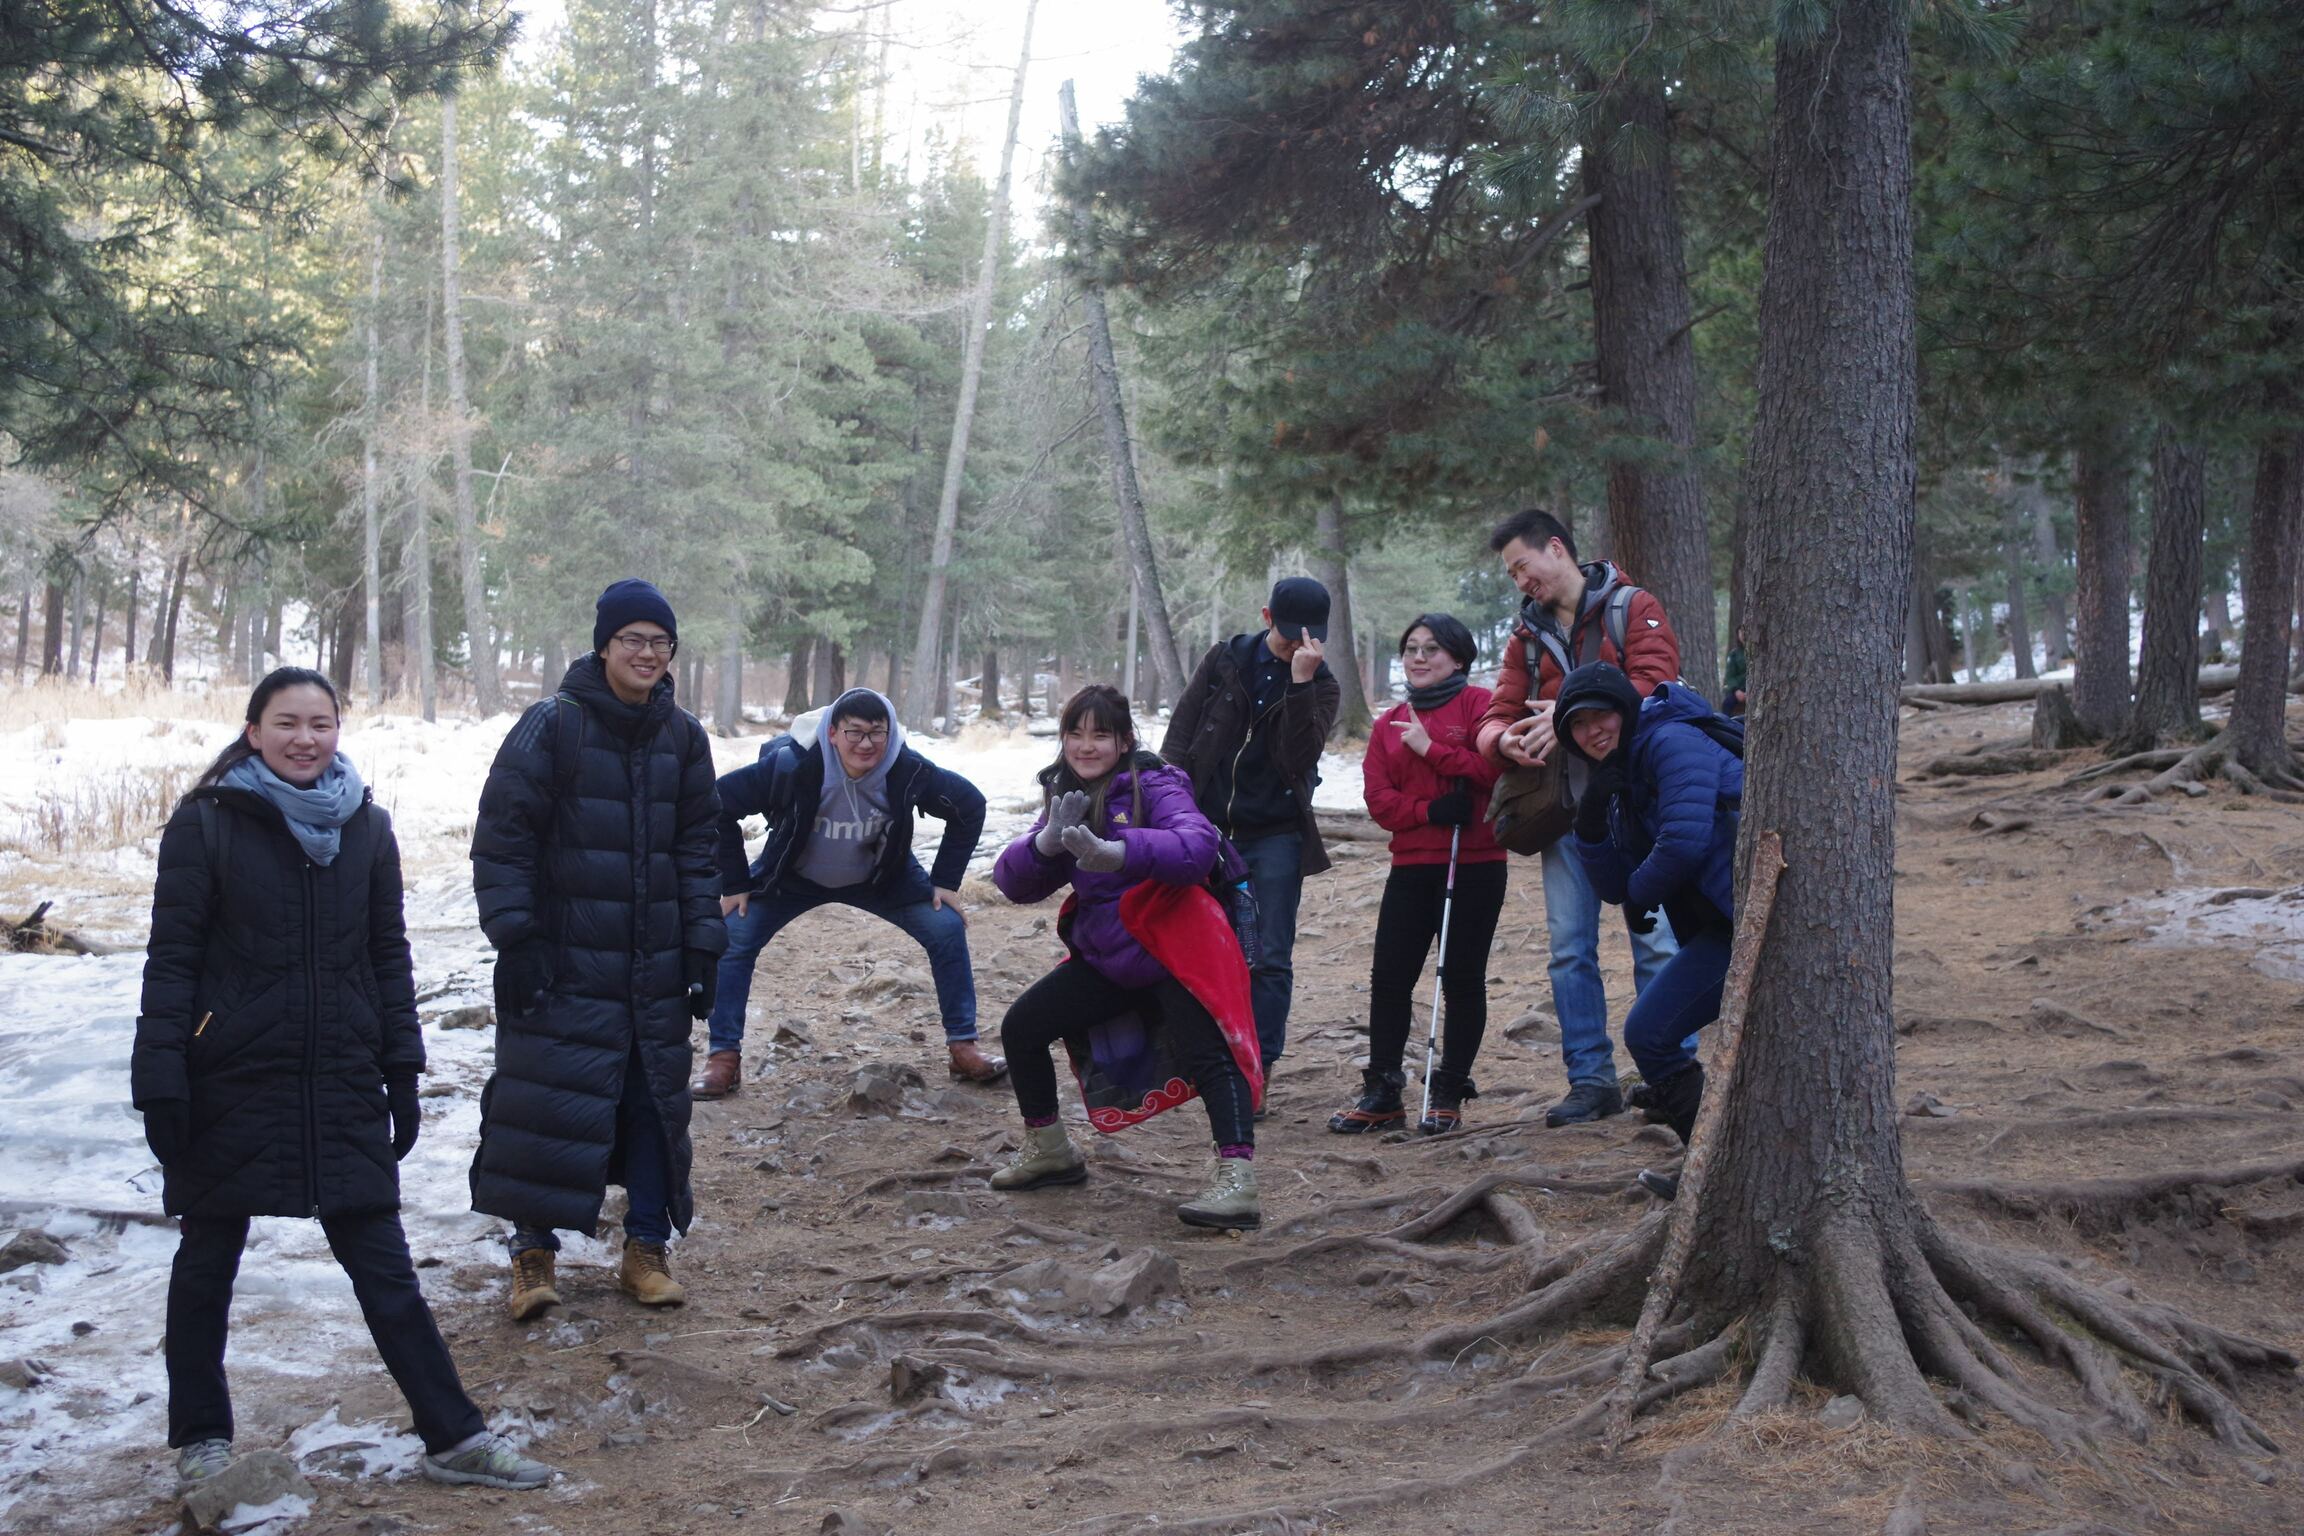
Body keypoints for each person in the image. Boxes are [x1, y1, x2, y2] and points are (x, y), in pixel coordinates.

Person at [132, 668, 554, 1493]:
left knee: (384, 1265)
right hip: (230, 1078)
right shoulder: (206, 825)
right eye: (286, 723)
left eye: (320, 724)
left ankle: (454, 1437)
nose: (305, 739)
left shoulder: (367, 826)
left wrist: (401, 1064)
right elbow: (171, 961)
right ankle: (202, 1442)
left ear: (339, 730)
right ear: (253, 731)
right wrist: (160, 1079)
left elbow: (387, 955)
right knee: (208, 1259)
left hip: (341, 1078)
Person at [469, 579, 726, 1321]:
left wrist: (704, 944)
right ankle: (531, 1256)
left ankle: (645, 1250)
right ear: (604, 646)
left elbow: (701, 849)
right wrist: (515, 936)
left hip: (653, 965)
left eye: (659, 642)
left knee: (653, 1106)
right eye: (632, 640)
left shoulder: (683, 737)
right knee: (540, 1104)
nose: (646, 654)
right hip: (561, 961)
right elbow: (503, 837)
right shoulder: (551, 726)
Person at [990, 685, 1265, 1230]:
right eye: (1075, 733)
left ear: (1124, 740)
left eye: (1100, 734)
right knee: (1022, 1027)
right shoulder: (1064, 792)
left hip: (1173, 946)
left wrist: (1121, 851)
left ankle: (1238, 1181)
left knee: (1211, 1055)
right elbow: (1012, 884)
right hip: (1110, 952)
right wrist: (1045, 843)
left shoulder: (1156, 784)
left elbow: (1196, 845)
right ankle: (1050, 1149)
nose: (1086, 746)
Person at [1478, 508, 1685, 1128]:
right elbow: (1495, 713)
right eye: (1511, 573)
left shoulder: (1633, 607)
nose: (1520, 581)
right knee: (1570, 950)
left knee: (1656, 943)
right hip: (1566, 814)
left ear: (1557, 549)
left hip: (1640, 808)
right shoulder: (1524, 636)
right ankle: (1590, 1080)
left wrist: (1567, 714)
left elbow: (1659, 686)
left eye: (1522, 565)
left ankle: (1671, 1075)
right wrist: (1502, 743)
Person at [698, 686, 995, 1098]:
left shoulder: (906, 769)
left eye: (877, 732)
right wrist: (734, 882)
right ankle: (723, 1058)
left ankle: (963, 1046)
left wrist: (945, 880)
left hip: (880, 879)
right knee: (734, 933)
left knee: (945, 927)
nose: (867, 743)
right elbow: (716, 804)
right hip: (792, 877)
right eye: (854, 732)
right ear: (832, 733)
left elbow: (969, 805)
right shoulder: (793, 766)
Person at [1554, 661, 1743, 1200]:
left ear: (1625, 709)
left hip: (1761, 920)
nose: (1592, 732)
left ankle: (1716, 1174)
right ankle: (1718, 1170)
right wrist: (1590, 824)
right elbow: (1615, 888)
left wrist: (1641, 892)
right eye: (1577, 726)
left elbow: (1683, 841)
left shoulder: (1669, 741)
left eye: (1600, 716)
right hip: (1727, 925)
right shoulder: (1624, 778)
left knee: (1651, 1033)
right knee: (1653, 1035)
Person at [1330, 615, 1508, 1136]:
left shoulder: (1479, 706)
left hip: (1474, 865)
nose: (1419, 657)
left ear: (1458, 657)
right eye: (1411, 648)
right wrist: (1432, 812)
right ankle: (1384, 1090)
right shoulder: (1389, 724)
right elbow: (1379, 800)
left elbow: (1495, 770)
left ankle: (1449, 1089)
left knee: (1461, 978)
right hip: (1411, 866)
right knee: (1390, 978)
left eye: (1433, 649)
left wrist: (1433, 751)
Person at [1160, 576, 1342, 1079]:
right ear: (1266, 618)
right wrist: (1170, 805)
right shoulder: (1226, 660)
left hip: (1277, 834)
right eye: (1287, 634)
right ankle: (1199, 1056)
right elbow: (1181, 734)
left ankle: (1256, 1067)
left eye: (1309, 636)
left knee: (1269, 956)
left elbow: (1299, 756)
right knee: (1199, 946)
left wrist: (1300, 685)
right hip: (1205, 830)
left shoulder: (1322, 685)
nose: (1297, 645)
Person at [1723, 628, 1749, 718]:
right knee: (1727, 703)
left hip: (1756, 689)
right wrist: (1737, 691)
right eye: (1741, 632)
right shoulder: (1734, 654)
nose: (1743, 635)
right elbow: (1729, 676)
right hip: (1739, 690)